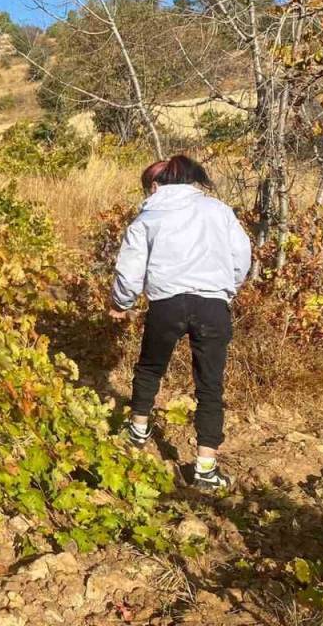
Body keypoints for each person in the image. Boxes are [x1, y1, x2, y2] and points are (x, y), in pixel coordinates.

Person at [108, 155, 251, 491]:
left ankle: (138, 432)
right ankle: (205, 470)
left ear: (155, 186)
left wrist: (122, 302)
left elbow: (130, 270)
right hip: (212, 305)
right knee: (210, 387)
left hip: (167, 304)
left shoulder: (148, 216)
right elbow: (241, 257)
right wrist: (223, 290)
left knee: (149, 368)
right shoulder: (219, 210)